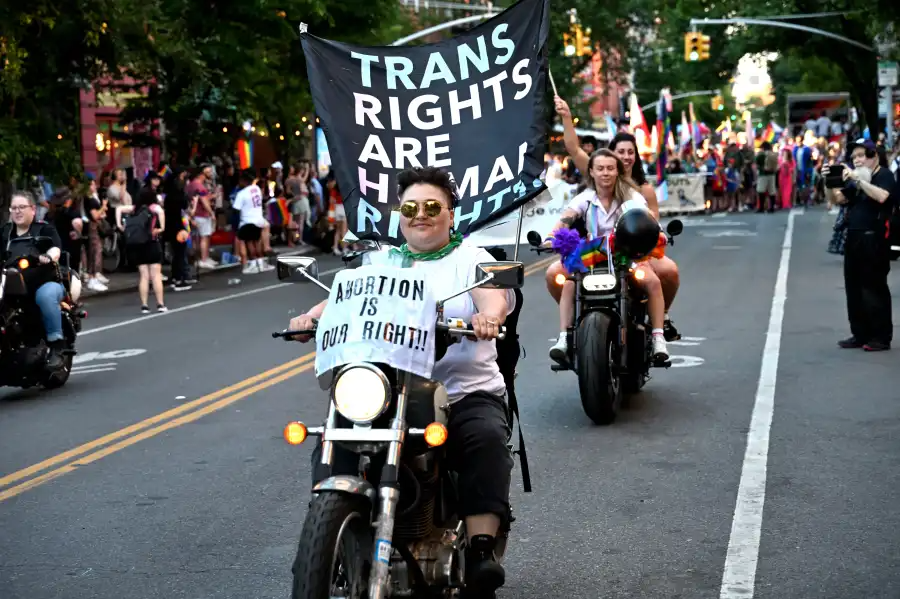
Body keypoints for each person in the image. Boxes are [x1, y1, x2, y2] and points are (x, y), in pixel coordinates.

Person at [287, 166, 514, 596]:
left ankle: (482, 548)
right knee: (333, 438)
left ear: (451, 214)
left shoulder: (472, 258)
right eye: (410, 206)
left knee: (483, 436)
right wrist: (308, 320)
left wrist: (488, 316)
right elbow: (342, 296)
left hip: (462, 389)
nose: (420, 214)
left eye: (432, 206)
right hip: (386, 391)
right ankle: (329, 536)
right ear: (399, 214)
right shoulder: (379, 261)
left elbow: (493, 295)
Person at [556, 104, 682, 342]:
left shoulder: (641, 190)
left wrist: (652, 233)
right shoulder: (595, 182)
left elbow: (651, 221)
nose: (625, 157)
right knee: (556, 275)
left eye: (630, 152)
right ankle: (573, 323)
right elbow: (573, 148)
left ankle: (660, 320)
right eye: (619, 152)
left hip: (634, 248)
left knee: (667, 272)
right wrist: (566, 117)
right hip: (595, 249)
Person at [544, 149, 670, 363]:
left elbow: (646, 218)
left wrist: (658, 233)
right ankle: (565, 337)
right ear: (591, 172)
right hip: (592, 255)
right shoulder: (585, 198)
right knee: (568, 283)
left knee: (652, 282)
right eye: (600, 168)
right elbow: (567, 218)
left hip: (626, 254)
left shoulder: (631, 196)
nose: (605, 173)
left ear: (617, 171)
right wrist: (551, 237)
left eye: (610, 168)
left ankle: (658, 337)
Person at [825, 139, 895, 351]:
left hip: (874, 237)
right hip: (854, 237)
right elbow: (837, 199)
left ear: (873, 156)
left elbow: (883, 196)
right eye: (854, 157)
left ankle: (880, 337)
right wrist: (829, 181)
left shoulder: (884, 175)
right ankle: (860, 333)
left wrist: (858, 180)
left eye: (861, 156)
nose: (856, 160)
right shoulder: (858, 179)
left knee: (873, 288)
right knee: (853, 287)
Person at [0, 192, 68, 368]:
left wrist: (48, 256)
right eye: (14, 208)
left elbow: (55, 248)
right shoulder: (5, 232)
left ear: (32, 209)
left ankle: (56, 346)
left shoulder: (44, 229)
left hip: (44, 282)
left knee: (45, 296)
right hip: (10, 284)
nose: (17, 211)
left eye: (22, 207)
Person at [116, 187, 167, 314]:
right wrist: (159, 229)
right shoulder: (155, 209)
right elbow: (162, 227)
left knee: (143, 275)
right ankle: (160, 304)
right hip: (152, 243)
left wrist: (119, 225)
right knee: (155, 275)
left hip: (137, 245)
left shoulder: (134, 209)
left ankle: (144, 305)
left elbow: (119, 208)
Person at [232, 170, 275, 274]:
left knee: (244, 242)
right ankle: (260, 263)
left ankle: (250, 265)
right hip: (258, 220)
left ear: (243, 181)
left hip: (247, 221)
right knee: (256, 242)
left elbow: (235, 209)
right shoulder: (257, 189)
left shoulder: (241, 194)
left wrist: (235, 225)